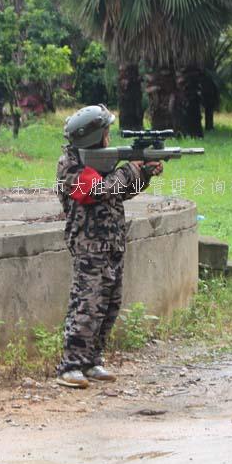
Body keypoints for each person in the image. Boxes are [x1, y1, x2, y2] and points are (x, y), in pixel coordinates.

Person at [54, 105, 163, 388]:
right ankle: (70, 366)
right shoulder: (71, 166)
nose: (108, 137)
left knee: (109, 305)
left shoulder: (98, 165)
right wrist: (130, 169)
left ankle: (91, 360)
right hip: (89, 246)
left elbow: (119, 192)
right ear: (94, 137)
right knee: (87, 305)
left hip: (111, 244)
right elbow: (98, 190)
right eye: (105, 132)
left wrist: (144, 173)